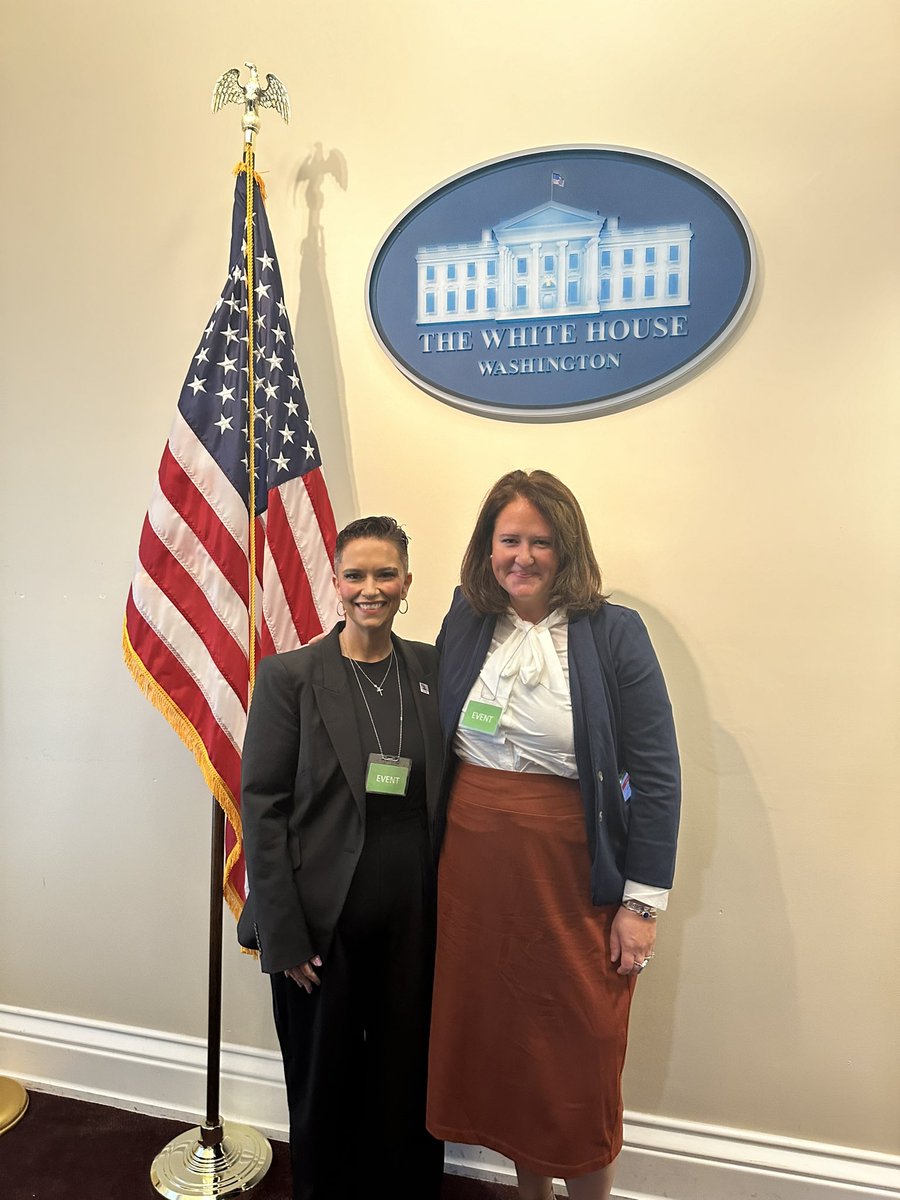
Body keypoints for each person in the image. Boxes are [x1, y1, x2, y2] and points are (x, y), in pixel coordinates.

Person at [426, 471, 680, 1200]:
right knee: (510, 1055)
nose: (523, 556)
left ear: (568, 549)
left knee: (577, 1057)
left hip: (574, 873)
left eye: (541, 541)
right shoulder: (468, 617)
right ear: (488, 546)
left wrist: (641, 905)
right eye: (510, 539)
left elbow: (656, 776)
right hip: (474, 872)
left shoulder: (614, 633)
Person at [238, 516, 445, 1200]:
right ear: (334, 582)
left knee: (405, 1077)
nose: (370, 589)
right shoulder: (289, 677)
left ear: (407, 582)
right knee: (323, 1083)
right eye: (355, 574)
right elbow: (261, 809)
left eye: (385, 573)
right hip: (320, 926)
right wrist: (284, 933)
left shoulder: (433, 669)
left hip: (414, 918)